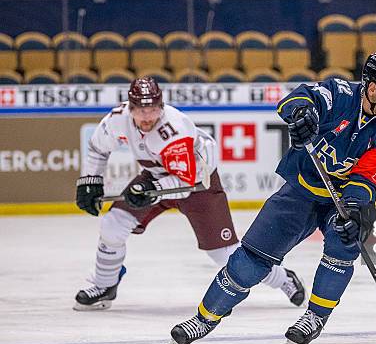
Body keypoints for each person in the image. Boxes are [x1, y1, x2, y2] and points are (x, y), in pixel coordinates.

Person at [167, 51, 376, 344]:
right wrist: (302, 115)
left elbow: (369, 178)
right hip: (300, 192)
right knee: (250, 262)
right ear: (373, 88)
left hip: (339, 200)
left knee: (343, 246)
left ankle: (314, 317)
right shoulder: (339, 94)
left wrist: (354, 209)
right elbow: (297, 99)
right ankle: (204, 319)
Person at [74, 77, 305, 311]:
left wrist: (149, 190)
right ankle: (104, 285)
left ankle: (283, 278)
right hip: (156, 176)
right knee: (113, 225)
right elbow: (97, 148)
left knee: (224, 255)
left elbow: (188, 179)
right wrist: (90, 182)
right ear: (130, 108)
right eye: (141, 110)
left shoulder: (174, 128)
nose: (147, 117)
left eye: (153, 109)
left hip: (198, 183)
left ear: (161, 107)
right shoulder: (117, 120)